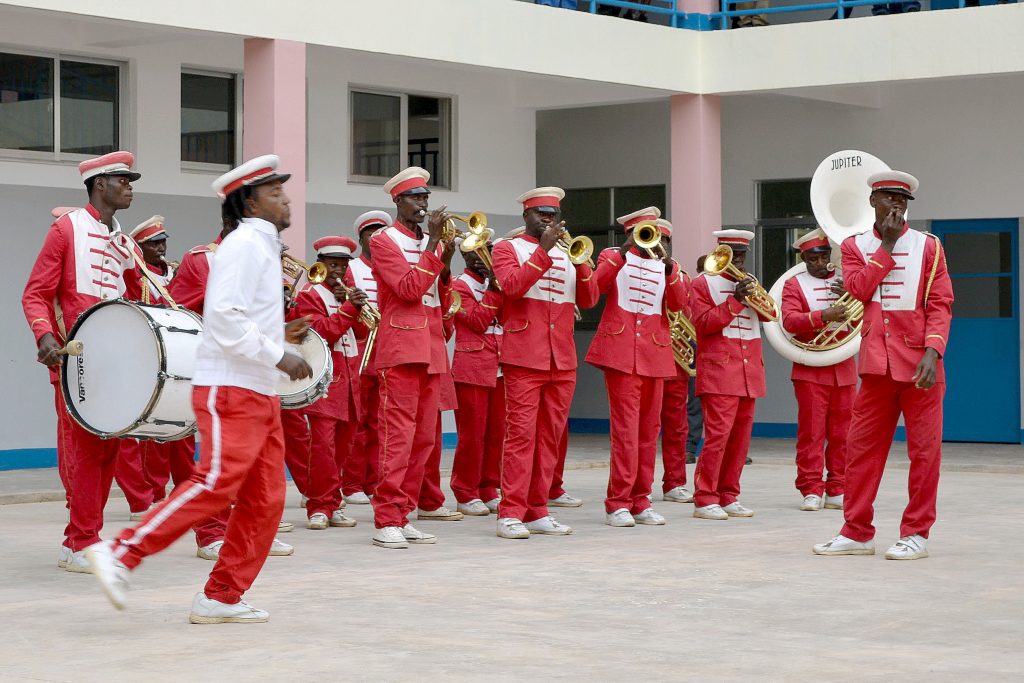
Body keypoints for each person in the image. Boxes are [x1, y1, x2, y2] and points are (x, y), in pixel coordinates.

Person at [86, 154, 314, 622]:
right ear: (249, 202)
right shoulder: (245, 244)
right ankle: (121, 553)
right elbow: (224, 317)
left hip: (257, 390)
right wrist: (280, 355)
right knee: (214, 485)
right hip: (231, 389)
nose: (285, 199)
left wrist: (279, 336)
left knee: (267, 501)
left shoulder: (262, 245)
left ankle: (221, 597)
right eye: (274, 192)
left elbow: (242, 318)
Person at [814, 171, 952, 561]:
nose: (895, 206)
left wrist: (933, 351)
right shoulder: (855, 245)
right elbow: (858, 289)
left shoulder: (930, 246)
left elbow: (940, 304)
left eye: (901, 200)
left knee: (925, 454)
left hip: (922, 366)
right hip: (877, 366)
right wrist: (887, 246)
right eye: (887, 199)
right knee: (861, 451)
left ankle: (916, 533)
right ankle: (856, 531)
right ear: (872, 202)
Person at [22, 151, 143, 573]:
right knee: (86, 451)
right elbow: (35, 292)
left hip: (116, 362)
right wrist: (45, 336)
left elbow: (137, 299)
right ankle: (80, 541)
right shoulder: (67, 228)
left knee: (108, 451)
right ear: (99, 185)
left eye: (131, 180)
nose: (130, 187)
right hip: (77, 358)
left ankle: (85, 535)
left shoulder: (125, 241)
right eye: (122, 180)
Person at [491, 187, 599, 539]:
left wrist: (582, 265)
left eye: (553, 215)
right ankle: (510, 511)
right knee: (521, 436)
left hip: (562, 357)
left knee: (550, 437)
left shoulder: (570, 253)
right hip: (524, 354)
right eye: (541, 214)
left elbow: (589, 298)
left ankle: (538, 509)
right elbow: (511, 287)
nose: (548, 220)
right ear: (526, 216)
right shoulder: (508, 249)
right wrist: (543, 251)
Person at [369, 166, 454, 549]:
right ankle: (386, 517)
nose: (423, 204)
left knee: (423, 440)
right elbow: (407, 289)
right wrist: (434, 245)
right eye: (416, 198)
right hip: (401, 349)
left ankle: (405, 513)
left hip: (433, 348)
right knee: (396, 438)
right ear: (398, 201)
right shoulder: (384, 241)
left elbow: (439, 296)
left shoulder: (430, 243)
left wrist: (444, 258)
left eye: (425, 197)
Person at [586, 208, 688, 527]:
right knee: (626, 432)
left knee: (648, 432)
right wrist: (622, 253)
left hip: (654, 355)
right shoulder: (612, 257)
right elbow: (594, 290)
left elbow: (679, 304)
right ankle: (617, 502)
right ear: (631, 232)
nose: (649, 240)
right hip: (620, 352)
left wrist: (670, 269)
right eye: (643, 232)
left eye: (653, 233)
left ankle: (641, 500)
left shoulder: (667, 266)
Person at [688, 229, 768, 521]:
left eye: (743, 257)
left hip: (749, 370)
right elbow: (703, 324)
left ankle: (729, 494)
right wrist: (735, 301)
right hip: (720, 369)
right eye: (733, 256)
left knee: (740, 439)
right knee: (718, 437)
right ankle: (705, 497)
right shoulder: (701, 284)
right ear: (720, 254)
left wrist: (754, 296)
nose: (738, 263)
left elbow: (772, 315)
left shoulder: (750, 283)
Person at [291, 235, 368, 530]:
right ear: (320, 265)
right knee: (322, 448)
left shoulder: (346, 293)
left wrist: (357, 308)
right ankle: (318, 507)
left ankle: (332, 503)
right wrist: (349, 308)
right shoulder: (310, 294)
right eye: (332, 265)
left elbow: (361, 332)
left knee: (343, 448)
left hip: (350, 379)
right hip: (326, 380)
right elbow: (321, 333)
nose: (338, 272)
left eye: (343, 266)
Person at [781, 228, 856, 512]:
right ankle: (811, 488)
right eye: (813, 258)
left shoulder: (845, 280)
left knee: (844, 432)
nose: (820, 263)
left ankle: (838, 486)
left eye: (824, 256)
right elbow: (789, 321)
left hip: (843, 363)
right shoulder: (794, 284)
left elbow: (868, 310)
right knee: (812, 432)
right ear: (803, 259)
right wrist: (823, 316)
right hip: (810, 365)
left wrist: (853, 295)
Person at [449, 238, 504, 516]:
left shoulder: (495, 282)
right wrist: (495, 292)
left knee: (497, 433)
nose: (488, 260)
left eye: (490, 253)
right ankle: (465, 491)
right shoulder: (459, 285)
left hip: (501, 364)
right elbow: (478, 321)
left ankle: (488, 487)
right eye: (482, 255)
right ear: (468, 257)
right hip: (472, 367)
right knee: (473, 435)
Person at [344, 210, 391, 505]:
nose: (374, 238)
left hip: (388, 349)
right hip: (361, 349)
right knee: (357, 421)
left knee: (380, 423)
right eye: (369, 233)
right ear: (361, 237)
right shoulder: (352, 268)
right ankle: (351, 483)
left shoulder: (391, 266)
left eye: (379, 233)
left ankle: (373, 481)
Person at [655, 221, 695, 504]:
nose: (660, 246)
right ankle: (638, 485)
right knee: (642, 428)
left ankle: (675, 482)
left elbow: (684, 311)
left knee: (678, 426)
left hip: (675, 360)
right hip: (647, 357)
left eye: (665, 241)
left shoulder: (680, 274)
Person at [685, 255, 707, 465]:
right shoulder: (693, 286)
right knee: (695, 402)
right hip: (694, 344)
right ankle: (689, 448)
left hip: (715, 346)